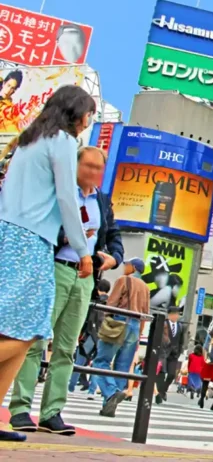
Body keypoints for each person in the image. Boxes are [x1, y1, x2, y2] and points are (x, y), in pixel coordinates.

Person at [0, 85, 95, 442]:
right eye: (88, 113)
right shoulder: (64, 143)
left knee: (13, 328)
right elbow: (67, 198)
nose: (89, 121)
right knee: (28, 330)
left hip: (8, 233)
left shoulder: (29, 139)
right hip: (31, 240)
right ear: (76, 113)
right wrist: (84, 250)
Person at [8, 144, 123, 435]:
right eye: (88, 166)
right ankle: (21, 408)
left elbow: (113, 236)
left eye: (99, 168)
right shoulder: (61, 192)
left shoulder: (103, 200)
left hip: (85, 277)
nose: (94, 173)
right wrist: (70, 237)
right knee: (35, 342)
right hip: (56, 267)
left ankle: (52, 412)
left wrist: (113, 258)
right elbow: (45, 226)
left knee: (66, 348)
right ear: (76, 165)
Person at [95, 258, 150, 418]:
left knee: (101, 361)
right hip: (135, 327)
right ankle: (109, 405)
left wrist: (106, 318)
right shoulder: (145, 287)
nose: (124, 267)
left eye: (126, 265)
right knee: (123, 367)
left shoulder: (123, 280)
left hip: (118, 323)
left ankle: (111, 393)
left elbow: (111, 303)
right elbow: (145, 313)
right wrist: (139, 333)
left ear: (133, 267)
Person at [68, 278, 111, 397]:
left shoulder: (94, 301)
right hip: (104, 336)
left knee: (79, 361)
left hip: (90, 334)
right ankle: (92, 390)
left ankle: (70, 387)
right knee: (97, 363)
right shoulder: (111, 302)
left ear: (97, 289)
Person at [156, 306, 187, 405]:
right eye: (174, 314)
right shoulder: (163, 323)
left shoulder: (181, 326)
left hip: (174, 354)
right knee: (161, 373)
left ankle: (163, 390)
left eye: (177, 314)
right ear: (169, 314)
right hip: (163, 352)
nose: (175, 316)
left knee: (172, 374)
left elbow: (181, 341)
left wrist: (179, 352)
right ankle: (159, 394)